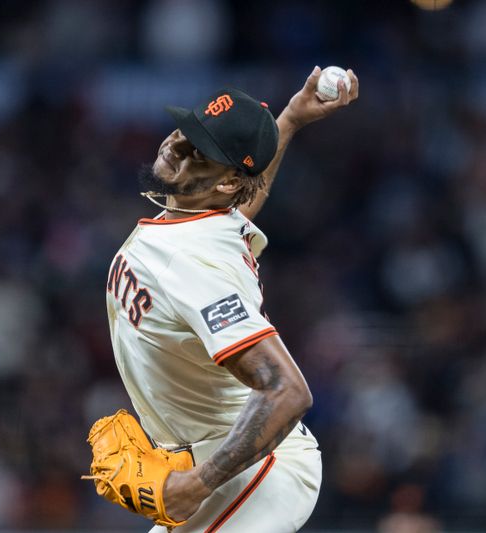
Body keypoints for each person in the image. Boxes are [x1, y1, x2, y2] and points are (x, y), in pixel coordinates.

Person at [105, 66, 359, 532]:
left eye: (197, 152)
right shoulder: (207, 217)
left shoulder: (195, 263)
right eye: (187, 128)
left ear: (222, 182)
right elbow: (242, 198)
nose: (175, 146)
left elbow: (287, 391)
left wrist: (197, 484)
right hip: (226, 461)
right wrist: (289, 121)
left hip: (254, 470)